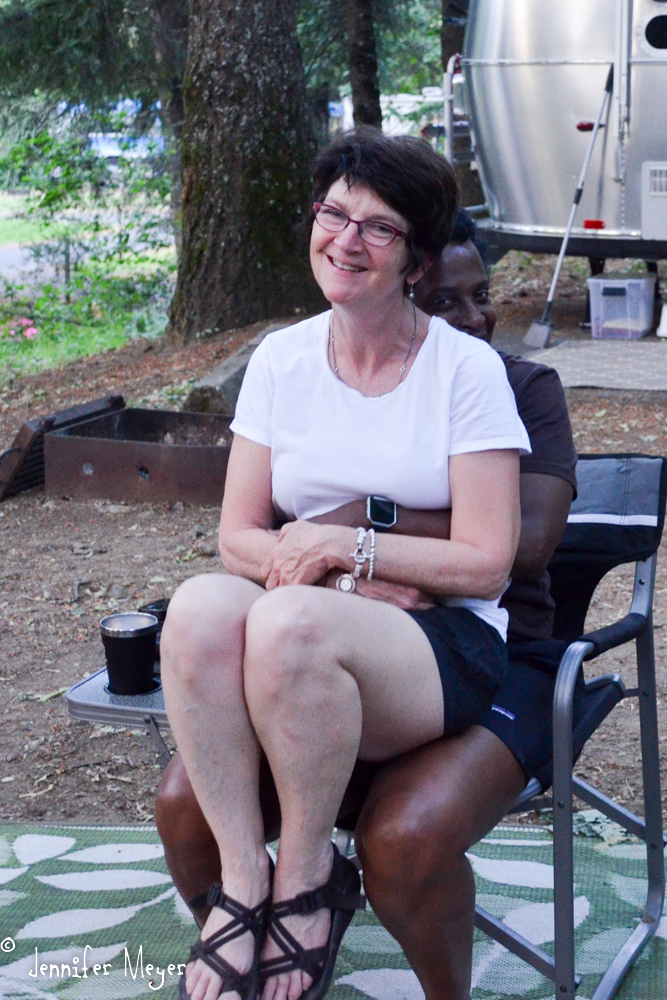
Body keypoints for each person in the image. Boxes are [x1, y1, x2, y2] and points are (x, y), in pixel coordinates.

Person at [159, 130, 530, 1000]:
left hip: (440, 646)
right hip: (314, 626)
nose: (345, 240)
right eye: (333, 215)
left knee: (284, 620)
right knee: (202, 606)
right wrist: (339, 572)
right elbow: (239, 539)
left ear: (417, 259)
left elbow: (484, 564)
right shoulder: (283, 361)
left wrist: (343, 546)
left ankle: (307, 880)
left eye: (377, 227)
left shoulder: (464, 371)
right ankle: (245, 883)